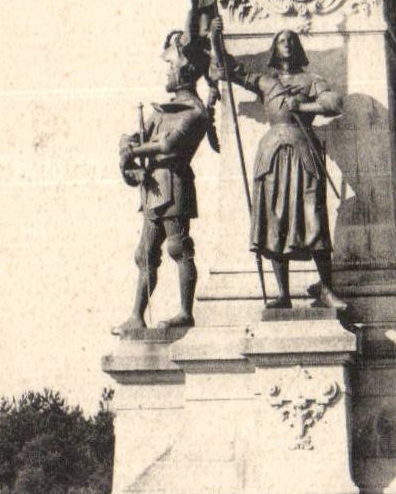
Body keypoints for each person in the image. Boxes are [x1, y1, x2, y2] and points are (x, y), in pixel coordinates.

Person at [211, 18, 347, 311]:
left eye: (291, 40)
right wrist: (214, 36)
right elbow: (229, 69)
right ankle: (283, 293)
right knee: (274, 220)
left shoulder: (311, 80)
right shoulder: (266, 82)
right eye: (281, 40)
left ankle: (326, 287)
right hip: (272, 154)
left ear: (298, 48)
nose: (287, 43)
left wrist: (304, 106)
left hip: (303, 151)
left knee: (315, 219)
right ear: (275, 49)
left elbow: (334, 103)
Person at [113, 32, 211, 337]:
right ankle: (135, 316)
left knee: (178, 248)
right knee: (144, 254)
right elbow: (135, 138)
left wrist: (135, 151)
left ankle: (185, 312)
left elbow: (168, 145)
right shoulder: (159, 111)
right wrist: (126, 148)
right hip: (153, 187)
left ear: (184, 71)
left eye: (171, 67)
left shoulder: (195, 112)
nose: (167, 72)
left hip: (176, 183)